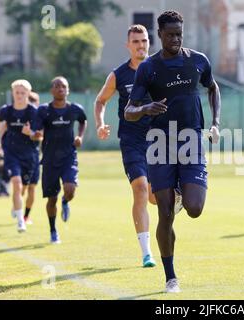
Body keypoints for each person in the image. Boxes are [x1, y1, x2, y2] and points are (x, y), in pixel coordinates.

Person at [125, 10, 221, 293]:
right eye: (170, 35)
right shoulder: (149, 68)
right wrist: (145, 108)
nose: (176, 39)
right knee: (164, 212)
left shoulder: (198, 61)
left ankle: (182, 193)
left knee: (194, 208)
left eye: (179, 34)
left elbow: (213, 88)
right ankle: (170, 277)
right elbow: (130, 111)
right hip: (159, 142)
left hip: (191, 140)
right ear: (160, 35)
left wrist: (215, 122)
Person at [94, 24, 162, 268]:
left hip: (158, 140)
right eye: (136, 42)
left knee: (156, 198)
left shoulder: (158, 68)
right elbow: (101, 100)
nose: (141, 45)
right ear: (128, 45)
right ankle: (146, 253)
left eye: (144, 41)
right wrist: (100, 124)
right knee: (141, 188)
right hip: (132, 140)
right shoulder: (119, 74)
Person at [32, 77, 87, 244]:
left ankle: (65, 201)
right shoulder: (43, 110)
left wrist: (80, 136)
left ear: (68, 90)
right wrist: (36, 134)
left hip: (68, 156)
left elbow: (83, 121)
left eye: (64, 86)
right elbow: (37, 130)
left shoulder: (75, 109)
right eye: (57, 86)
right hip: (49, 159)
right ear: (51, 90)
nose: (60, 89)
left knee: (70, 189)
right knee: (51, 199)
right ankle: (53, 230)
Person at [0, 79, 38, 232]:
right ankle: (20, 221)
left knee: (24, 187)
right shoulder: (7, 110)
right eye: (16, 92)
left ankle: (16, 206)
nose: (19, 95)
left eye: (22, 93)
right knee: (16, 184)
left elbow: (41, 135)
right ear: (12, 93)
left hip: (29, 154)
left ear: (28, 94)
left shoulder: (33, 112)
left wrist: (30, 133)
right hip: (11, 153)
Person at [22, 91, 41, 224]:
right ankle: (17, 204)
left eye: (35, 103)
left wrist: (33, 133)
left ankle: (26, 216)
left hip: (34, 156)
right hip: (20, 156)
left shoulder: (40, 119)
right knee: (22, 186)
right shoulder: (20, 117)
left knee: (32, 186)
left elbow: (41, 135)